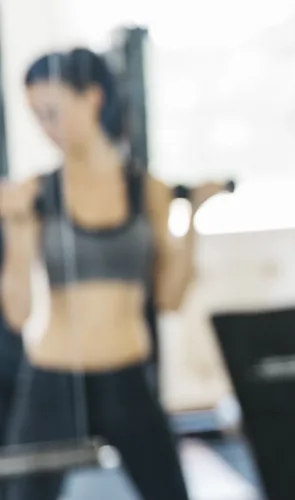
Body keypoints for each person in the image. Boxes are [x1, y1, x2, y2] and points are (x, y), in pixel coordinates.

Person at [0, 48, 220, 500]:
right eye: (37, 116)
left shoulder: (147, 190)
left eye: (53, 112)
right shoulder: (37, 193)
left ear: (93, 99)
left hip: (127, 377)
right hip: (53, 379)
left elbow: (170, 298)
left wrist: (193, 219)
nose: (46, 128)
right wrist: (16, 228)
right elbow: (18, 315)